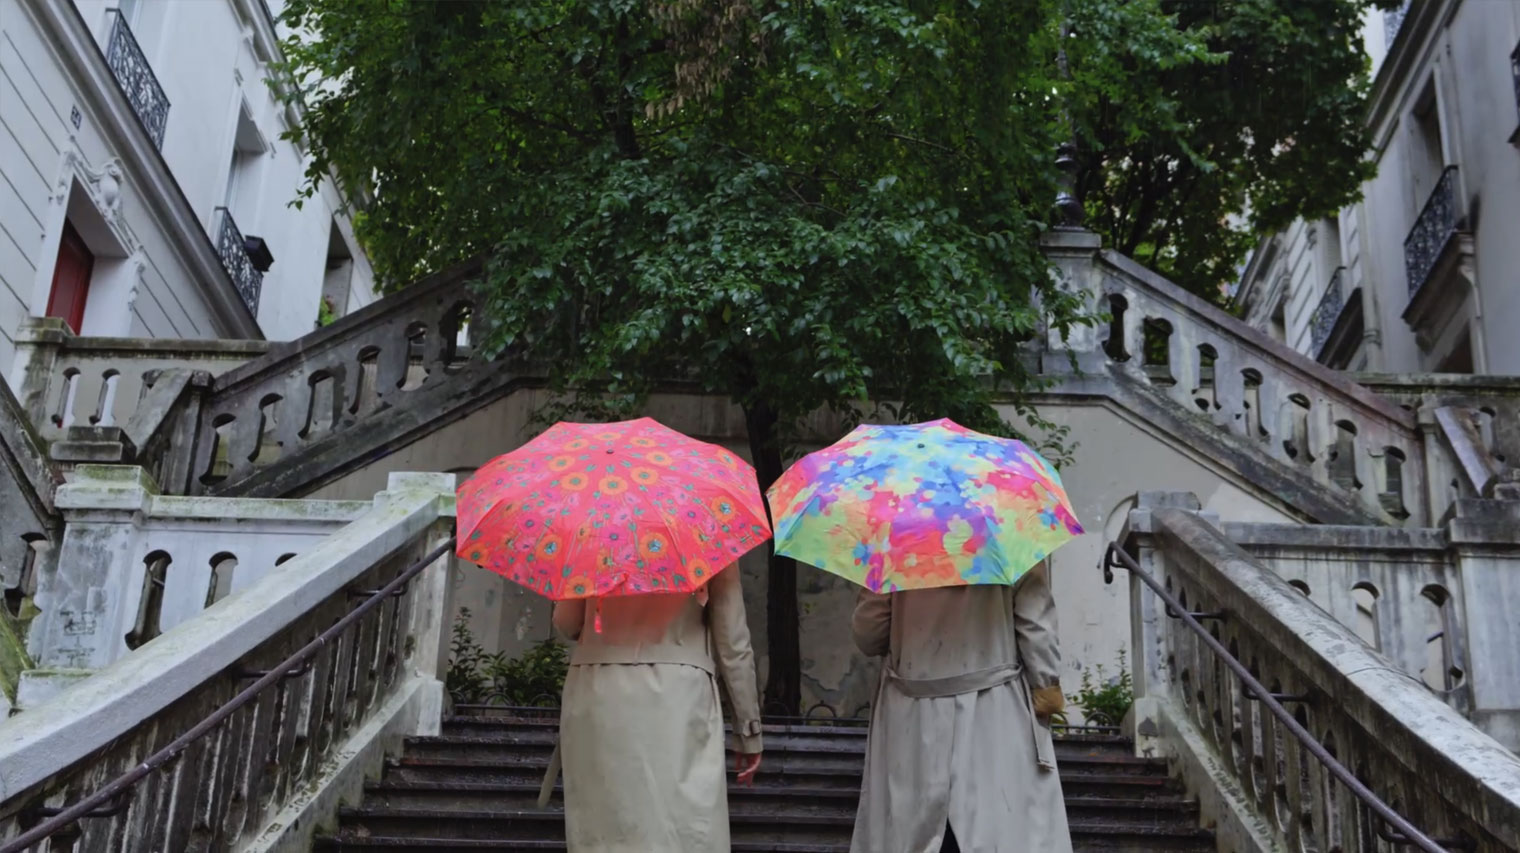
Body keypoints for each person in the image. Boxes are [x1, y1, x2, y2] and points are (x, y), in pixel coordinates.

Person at [848, 560, 1072, 853]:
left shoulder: (895, 537)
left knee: (910, 833)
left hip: (912, 717)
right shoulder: (1008, 528)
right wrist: (1045, 688)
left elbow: (869, 634)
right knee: (1000, 828)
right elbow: (1036, 626)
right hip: (994, 709)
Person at [549, 561, 763, 852]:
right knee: (681, 829)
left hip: (599, 692)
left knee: (605, 832)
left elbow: (567, 622)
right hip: (677, 697)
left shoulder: (593, 527)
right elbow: (732, 640)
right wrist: (748, 729)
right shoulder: (706, 527)